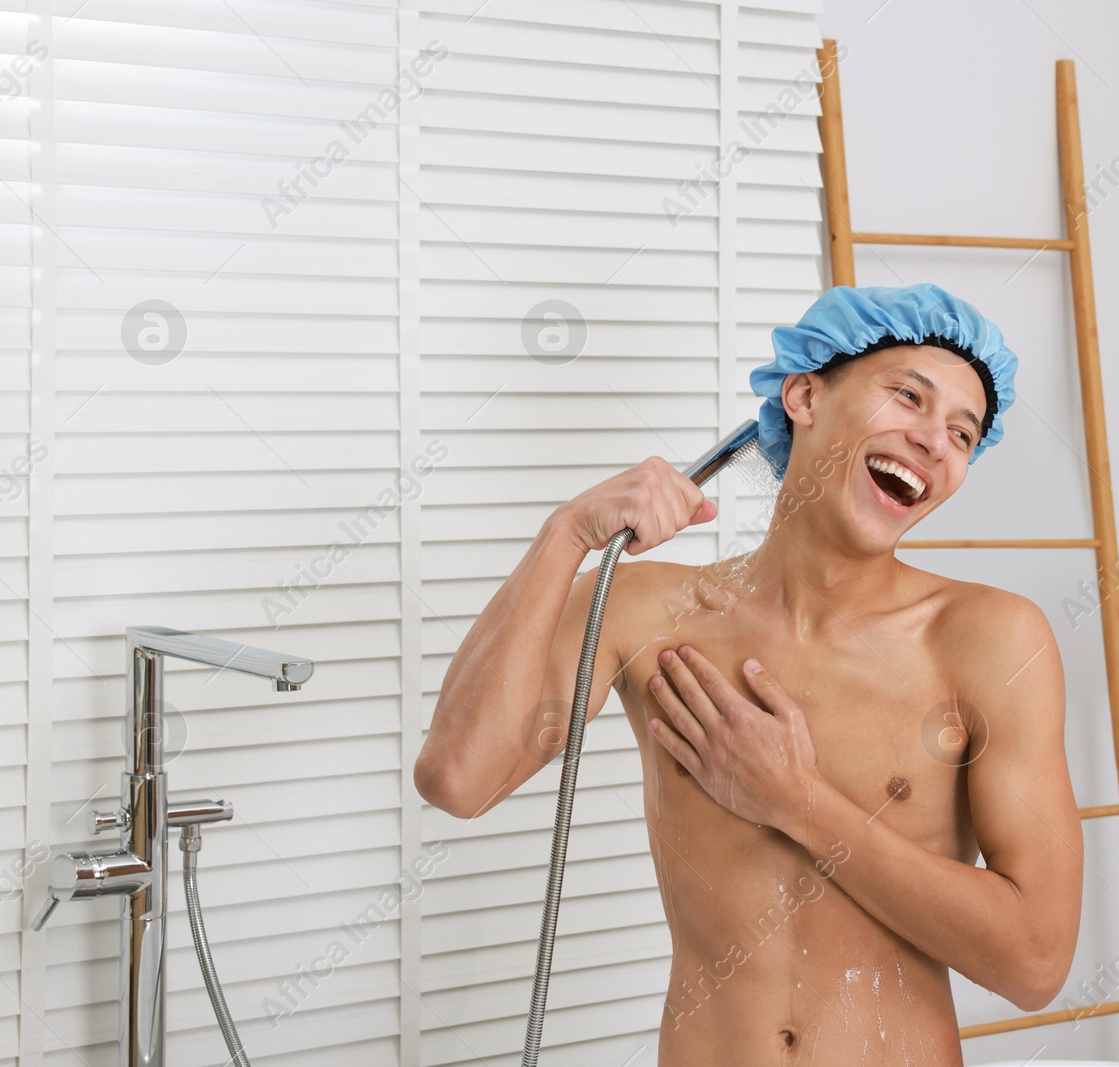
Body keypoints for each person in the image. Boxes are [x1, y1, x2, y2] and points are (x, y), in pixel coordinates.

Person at [415, 283, 1083, 1065]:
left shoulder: (987, 639)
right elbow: (458, 778)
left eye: (964, 434)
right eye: (909, 396)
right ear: (803, 394)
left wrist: (797, 800)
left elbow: (1036, 962)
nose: (936, 440)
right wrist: (563, 537)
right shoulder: (647, 612)